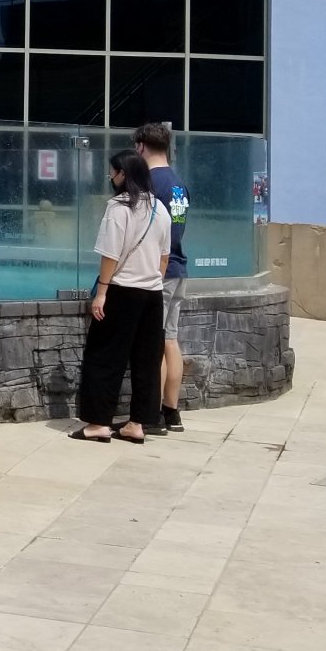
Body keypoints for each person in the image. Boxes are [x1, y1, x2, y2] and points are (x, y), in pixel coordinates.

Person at [71, 150, 172, 444]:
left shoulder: (119, 208)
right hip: (152, 294)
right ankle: (137, 424)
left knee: (104, 357)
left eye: (112, 172)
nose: (110, 178)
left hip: (121, 292)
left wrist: (101, 292)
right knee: (146, 361)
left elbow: (110, 255)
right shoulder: (159, 209)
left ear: (123, 175)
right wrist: (150, 280)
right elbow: (164, 258)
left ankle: (98, 423)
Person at [135, 123, 190, 433]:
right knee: (170, 338)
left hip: (160, 272)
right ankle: (172, 411)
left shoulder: (150, 183)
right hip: (179, 268)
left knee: (153, 344)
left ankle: (150, 414)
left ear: (142, 147)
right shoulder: (178, 184)